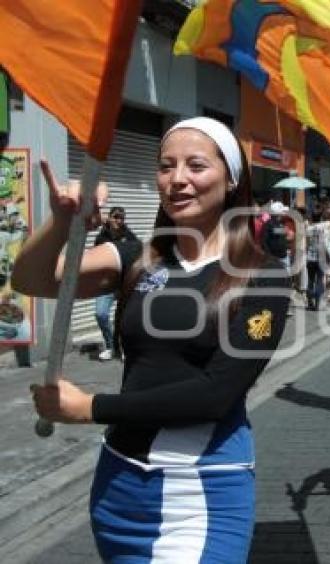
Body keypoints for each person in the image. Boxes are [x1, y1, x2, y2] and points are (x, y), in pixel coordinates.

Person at [16, 117, 290, 562]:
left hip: (201, 491)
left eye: (196, 166)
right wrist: (62, 222)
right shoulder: (138, 259)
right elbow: (31, 280)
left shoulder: (263, 276)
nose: (178, 179)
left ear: (231, 179)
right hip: (119, 490)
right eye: (166, 166)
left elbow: (214, 396)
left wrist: (89, 409)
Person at [92, 207, 140, 361]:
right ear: (109, 218)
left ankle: (124, 347)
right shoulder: (101, 238)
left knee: (125, 318)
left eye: (122, 217)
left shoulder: (130, 237)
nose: (119, 220)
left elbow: (138, 255)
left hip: (124, 284)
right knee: (101, 314)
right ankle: (110, 346)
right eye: (116, 217)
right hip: (106, 285)